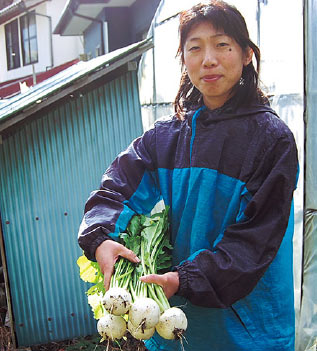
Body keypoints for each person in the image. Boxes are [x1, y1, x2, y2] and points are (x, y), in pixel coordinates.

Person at [78, 1, 298, 350]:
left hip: (249, 333)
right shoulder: (167, 138)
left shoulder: (271, 140)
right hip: (175, 325)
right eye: (195, 48)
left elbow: (253, 244)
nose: (208, 59)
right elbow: (116, 188)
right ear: (184, 59)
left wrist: (184, 279)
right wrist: (100, 236)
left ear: (245, 55)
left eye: (222, 45)